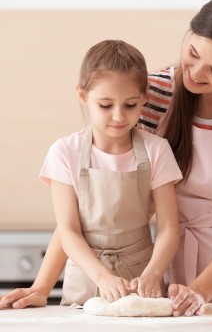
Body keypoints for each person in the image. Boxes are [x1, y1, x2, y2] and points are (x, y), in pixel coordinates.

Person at [0, 0, 212, 316]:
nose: (196, 73)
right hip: (180, 266)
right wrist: (41, 288)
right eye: (193, 53)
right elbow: (85, 206)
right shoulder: (146, 95)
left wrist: (202, 290)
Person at [0, 40, 182, 306]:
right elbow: (68, 231)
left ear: (144, 96)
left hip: (142, 280)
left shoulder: (157, 151)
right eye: (105, 105)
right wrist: (101, 277)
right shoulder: (65, 152)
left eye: (130, 105)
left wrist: (153, 273)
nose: (119, 116)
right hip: (86, 277)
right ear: (83, 96)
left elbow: (168, 228)